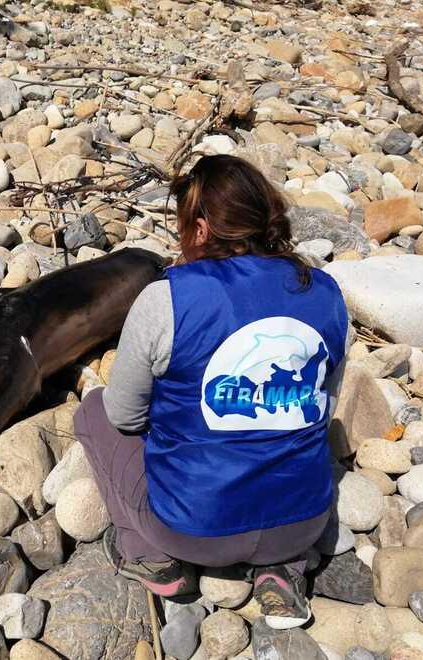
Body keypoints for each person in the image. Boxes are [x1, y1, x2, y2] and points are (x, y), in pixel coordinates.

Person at [73, 154, 349, 630]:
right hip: (301, 523)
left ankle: (152, 558)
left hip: (192, 530)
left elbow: (125, 416)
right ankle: (281, 569)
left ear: (200, 229)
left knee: (94, 412)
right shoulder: (325, 292)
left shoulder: (168, 296)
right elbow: (323, 406)